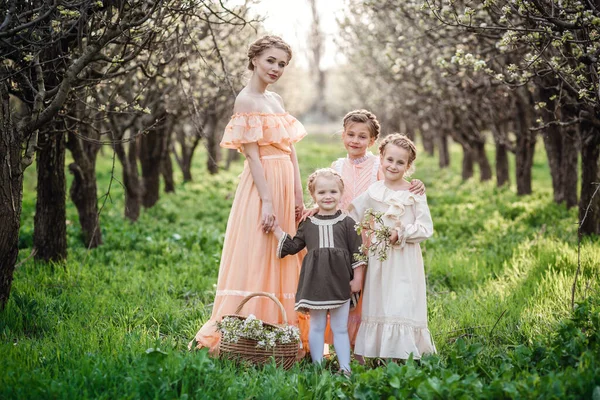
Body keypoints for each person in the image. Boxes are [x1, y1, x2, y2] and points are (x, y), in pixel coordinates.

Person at [189, 35, 308, 353]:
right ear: (255, 59)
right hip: (262, 184)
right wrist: (267, 201)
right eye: (271, 60)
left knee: (286, 251)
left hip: (284, 180)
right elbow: (253, 156)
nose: (276, 68)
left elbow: (291, 150)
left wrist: (297, 194)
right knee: (260, 250)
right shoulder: (246, 101)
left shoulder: (277, 101)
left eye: (282, 64)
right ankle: (247, 335)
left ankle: (282, 334)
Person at [323, 110, 426, 356]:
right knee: (344, 289)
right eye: (350, 135)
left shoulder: (378, 166)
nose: (355, 141)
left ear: (372, 142)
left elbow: (393, 187)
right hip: (341, 236)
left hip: (371, 238)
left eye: (362, 136)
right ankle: (340, 344)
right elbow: (330, 194)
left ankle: (364, 346)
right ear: (343, 135)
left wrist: (417, 184)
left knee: (368, 292)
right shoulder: (337, 165)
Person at [349, 133, 436, 360]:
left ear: (408, 166)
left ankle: (402, 354)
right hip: (380, 258)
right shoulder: (373, 191)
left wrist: (403, 232)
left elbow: (425, 227)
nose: (393, 166)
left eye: (400, 162)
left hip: (404, 257)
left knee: (401, 300)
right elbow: (351, 214)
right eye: (390, 160)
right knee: (380, 299)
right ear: (381, 158)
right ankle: (378, 352)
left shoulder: (414, 193)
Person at [274, 168, 365, 373]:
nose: (327, 196)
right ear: (313, 195)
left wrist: (357, 278)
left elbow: (358, 253)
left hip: (341, 283)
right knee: (316, 326)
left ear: (341, 194)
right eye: (321, 192)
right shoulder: (307, 223)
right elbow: (293, 246)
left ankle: (345, 368)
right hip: (315, 283)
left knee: (339, 328)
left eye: (333, 192)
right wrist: (276, 230)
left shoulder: (348, 222)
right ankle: (317, 367)